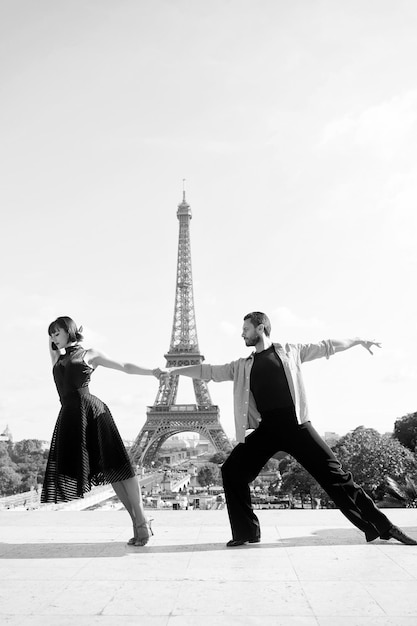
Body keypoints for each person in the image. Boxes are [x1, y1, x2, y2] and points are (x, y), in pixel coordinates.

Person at [166, 311, 417, 547]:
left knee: (338, 478)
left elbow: (327, 346)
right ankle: (246, 532)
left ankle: (385, 527)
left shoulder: (291, 351)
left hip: (296, 426)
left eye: (245, 328)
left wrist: (358, 340)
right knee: (231, 471)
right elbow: (207, 371)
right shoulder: (242, 365)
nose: (242, 334)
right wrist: (174, 370)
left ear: (260, 327)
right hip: (267, 429)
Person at [42, 316, 161, 547]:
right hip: (71, 418)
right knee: (111, 472)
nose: (54, 338)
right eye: (51, 334)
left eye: (57, 332)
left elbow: (124, 367)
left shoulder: (89, 354)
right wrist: (54, 342)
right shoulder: (57, 357)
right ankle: (138, 523)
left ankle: (142, 522)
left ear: (69, 331)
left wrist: (152, 371)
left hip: (92, 413)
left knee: (120, 468)